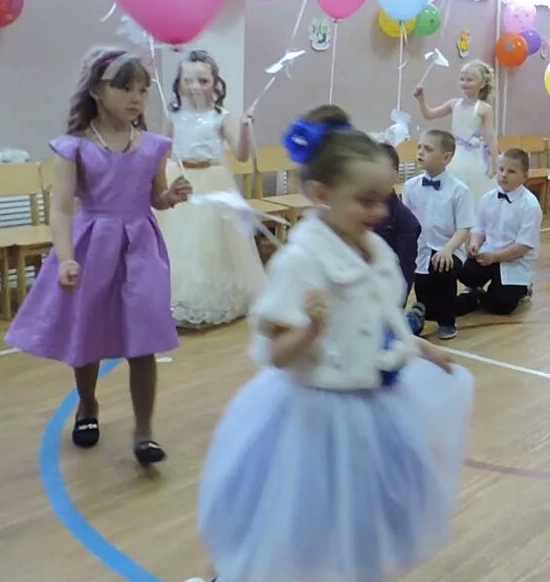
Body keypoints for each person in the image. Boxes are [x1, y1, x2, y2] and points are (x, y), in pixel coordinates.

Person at [197, 113, 472, 582]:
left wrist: (422, 350)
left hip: (371, 408)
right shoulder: (302, 260)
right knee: (290, 525)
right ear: (321, 195)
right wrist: (308, 332)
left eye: (383, 200)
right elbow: (276, 356)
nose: (379, 213)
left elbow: (385, 319)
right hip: (313, 416)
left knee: (356, 528)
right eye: (364, 201)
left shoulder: (376, 251)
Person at [4, 47, 191, 466]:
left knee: (143, 337)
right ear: (96, 91)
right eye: (125, 87)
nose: (136, 97)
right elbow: (62, 207)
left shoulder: (154, 145)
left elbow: (155, 198)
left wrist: (170, 196)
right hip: (91, 247)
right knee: (87, 334)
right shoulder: (74, 147)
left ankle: (144, 429)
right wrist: (66, 257)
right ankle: (87, 404)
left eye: (142, 89)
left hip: (140, 248)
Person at [156, 49, 265, 328]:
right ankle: (175, 299)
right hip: (179, 179)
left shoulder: (221, 117)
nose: (195, 87)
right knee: (178, 244)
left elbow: (242, 154)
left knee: (212, 244)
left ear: (215, 83)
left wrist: (244, 128)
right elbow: (162, 153)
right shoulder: (173, 115)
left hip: (213, 180)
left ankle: (212, 299)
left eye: (203, 81)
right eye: (188, 80)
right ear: (179, 82)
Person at [402, 130, 475, 341]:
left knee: (442, 268)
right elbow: (407, 223)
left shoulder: (459, 190)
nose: (420, 152)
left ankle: (447, 320)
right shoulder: (411, 186)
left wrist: (447, 249)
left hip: (448, 249)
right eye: (419, 147)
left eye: (428, 149)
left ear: (446, 157)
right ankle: (422, 310)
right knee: (423, 288)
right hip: (421, 250)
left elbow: (464, 228)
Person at [457, 148, 542, 316]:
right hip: (490, 253)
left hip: (514, 261)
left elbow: (523, 246)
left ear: (525, 176)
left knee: (501, 305)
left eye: (511, 171)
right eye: (501, 169)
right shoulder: (487, 198)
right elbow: (479, 228)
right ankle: (478, 291)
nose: (504, 175)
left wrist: (495, 257)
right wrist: (475, 244)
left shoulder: (530, 205)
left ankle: (521, 289)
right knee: (466, 273)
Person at [413, 59, 498, 200]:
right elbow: (429, 114)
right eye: (462, 79)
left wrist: (495, 162)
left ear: (482, 84)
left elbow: (490, 136)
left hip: (475, 158)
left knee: (473, 193)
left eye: (469, 80)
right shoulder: (454, 104)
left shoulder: (484, 108)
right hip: (454, 154)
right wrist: (422, 100)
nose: (464, 83)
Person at [373, 142, 422, 303]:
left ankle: (413, 319)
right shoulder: (357, 209)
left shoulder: (405, 221)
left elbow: (405, 272)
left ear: (394, 176)